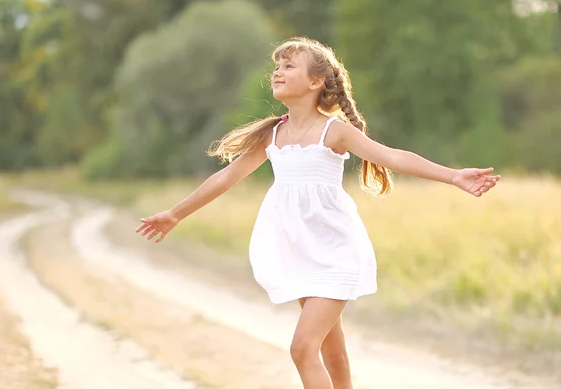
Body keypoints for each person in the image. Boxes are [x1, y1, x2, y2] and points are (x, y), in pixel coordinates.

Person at [134, 37, 501, 389]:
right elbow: (226, 176)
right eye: (276, 65)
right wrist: (176, 214)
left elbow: (392, 157)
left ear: (316, 81)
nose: (277, 71)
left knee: (302, 348)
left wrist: (453, 175)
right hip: (298, 249)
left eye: (289, 65)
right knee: (333, 354)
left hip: (335, 251)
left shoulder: (333, 131)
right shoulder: (273, 135)